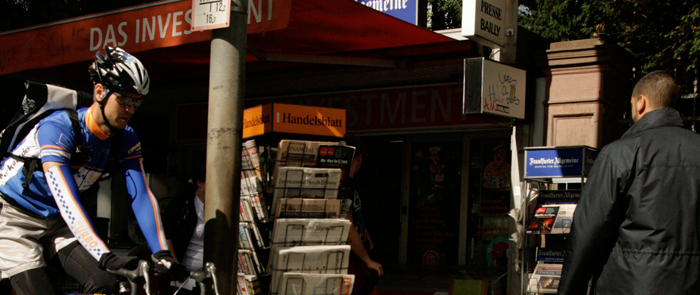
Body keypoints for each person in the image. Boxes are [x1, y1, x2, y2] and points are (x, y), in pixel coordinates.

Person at [0, 46, 187, 295]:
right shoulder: (58, 128)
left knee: (105, 284)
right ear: (100, 92)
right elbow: (68, 199)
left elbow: (140, 195)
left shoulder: (125, 138)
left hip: (56, 223)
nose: (130, 109)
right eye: (124, 99)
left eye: (136, 102)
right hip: (13, 219)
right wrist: (105, 256)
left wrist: (161, 252)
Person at [558, 71, 700, 295]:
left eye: (632, 104)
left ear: (641, 102)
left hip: (627, 284)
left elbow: (589, 232)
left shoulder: (620, 153)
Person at [342, 135, 383, 295]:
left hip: (353, 259)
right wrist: (369, 261)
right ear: (359, 158)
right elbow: (347, 223)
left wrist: (363, 231)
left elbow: (351, 216)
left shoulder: (347, 184)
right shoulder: (345, 186)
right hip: (351, 261)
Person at [162, 164, 206, 295]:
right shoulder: (183, 205)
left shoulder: (219, 208)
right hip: (185, 278)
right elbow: (166, 234)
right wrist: (176, 267)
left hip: (208, 277)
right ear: (199, 183)